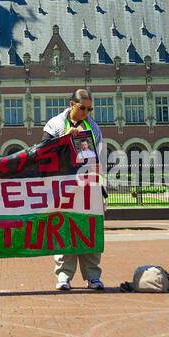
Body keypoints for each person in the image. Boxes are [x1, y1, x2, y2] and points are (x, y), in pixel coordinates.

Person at [42, 89, 107, 291]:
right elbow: (44, 152)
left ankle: (93, 276)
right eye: (82, 108)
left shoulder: (93, 127)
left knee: (89, 229)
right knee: (64, 229)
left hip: (88, 185)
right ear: (72, 104)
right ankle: (63, 276)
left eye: (89, 109)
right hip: (63, 185)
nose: (86, 113)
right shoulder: (55, 124)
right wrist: (64, 139)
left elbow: (99, 155)